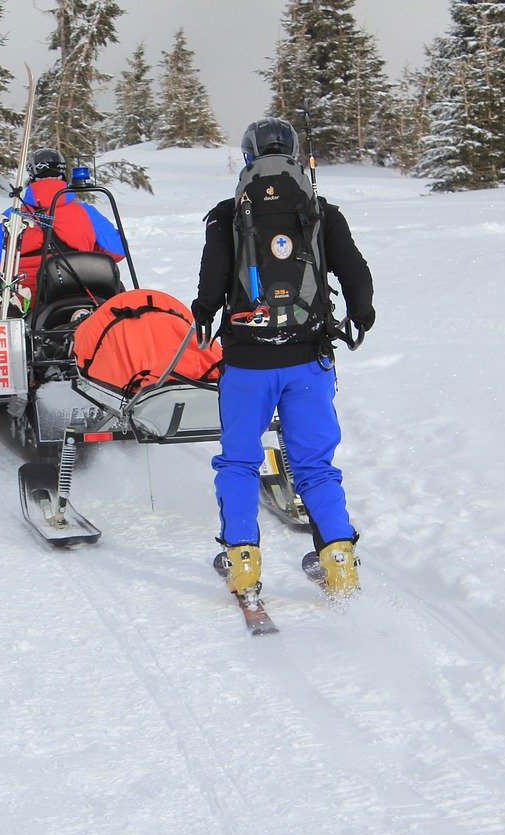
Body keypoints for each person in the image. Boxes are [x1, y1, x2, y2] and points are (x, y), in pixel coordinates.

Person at [190, 117, 375, 601]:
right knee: (314, 466)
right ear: (295, 154)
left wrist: (205, 315)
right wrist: (360, 315)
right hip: (309, 359)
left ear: (249, 155)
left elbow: (211, 282)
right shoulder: (320, 211)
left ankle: (243, 564)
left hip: (247, 362)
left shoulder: (227, 213)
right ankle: (338, 562)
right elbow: (355, 271)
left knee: (239, 462)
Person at [0, 147, 125, 398]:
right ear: (63, 175)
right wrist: (85, 255)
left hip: (31, 299)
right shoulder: (86, 212)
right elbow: (117, 251)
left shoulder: (12, 216)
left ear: (31, 176)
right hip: (87, 294)